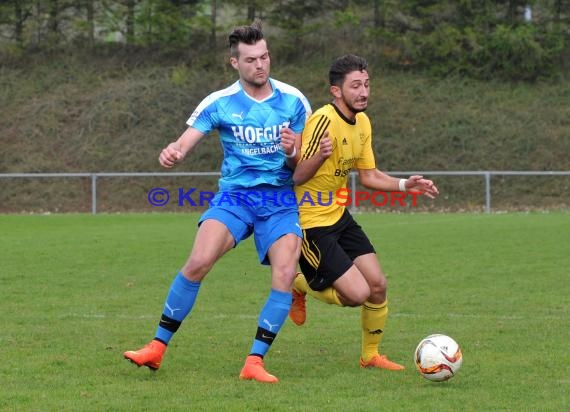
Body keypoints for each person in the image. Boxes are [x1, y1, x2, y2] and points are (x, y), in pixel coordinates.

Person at [123, 20, 311, 384]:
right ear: (235, 63)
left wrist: (292, 152)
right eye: (252, 59)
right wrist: (173, 153)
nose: (261, 64)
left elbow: (299, 165)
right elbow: (184, 142)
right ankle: (156, 348)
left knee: (285, 274)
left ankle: (254, 362)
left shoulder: (293, 101)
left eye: (265, 57)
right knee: (198, 261)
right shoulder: (220, 103)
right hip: (235, 198)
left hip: (279, 200)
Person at [290, 54, 439, 371]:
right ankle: (298, 284)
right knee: (356, 294)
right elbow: (297, 175)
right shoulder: (322, 121)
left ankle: (370, 356)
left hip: (339, 217)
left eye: (367, 84)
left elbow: (369, 176)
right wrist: (318, 157)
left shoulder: (363, 123)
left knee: (378, 285)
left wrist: (404, 185)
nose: (364, 92)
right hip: (310, 223)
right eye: (355, 86)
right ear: (336, 91)